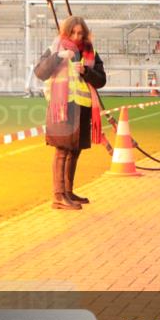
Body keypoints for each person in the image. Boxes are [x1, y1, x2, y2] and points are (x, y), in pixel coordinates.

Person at [33, 16, 107, 210]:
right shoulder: (55, 49)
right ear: (65, 33)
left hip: (82, 107)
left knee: (75, 150)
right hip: (62, 108)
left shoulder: (90, 53)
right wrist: (59, 57)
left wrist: (86, 71)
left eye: (80, 33)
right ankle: (58, 196)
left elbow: (101, 80)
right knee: (63, 150)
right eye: (72, 32)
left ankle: (68, 191)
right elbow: (40, 72)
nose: (76, 36)